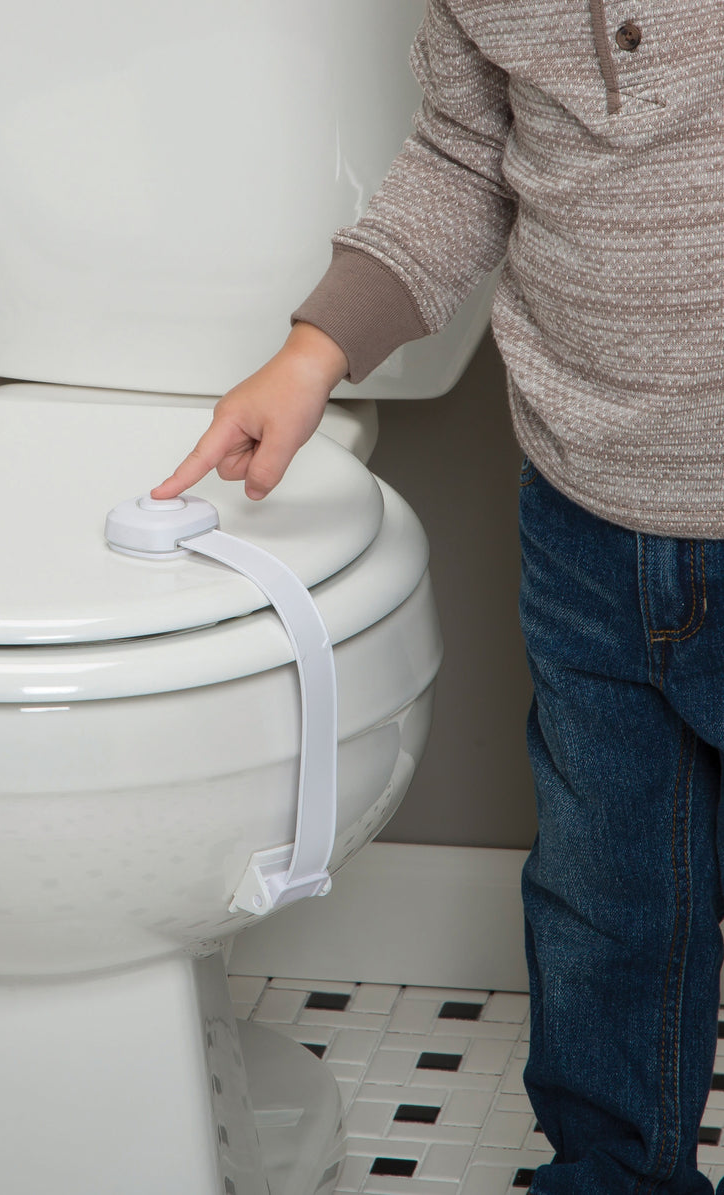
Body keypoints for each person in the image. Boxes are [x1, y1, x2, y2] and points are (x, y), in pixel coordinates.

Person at [152, 3, 724, 1193]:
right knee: (603, 893)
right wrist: (311, 354)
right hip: (586, 516)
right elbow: (466, 158)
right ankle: (609, 1172)